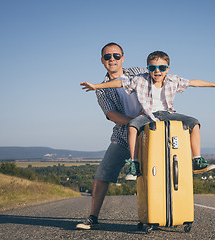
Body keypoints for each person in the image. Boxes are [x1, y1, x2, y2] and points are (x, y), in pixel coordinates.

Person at [81, 50, 215, 181]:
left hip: (168, 113)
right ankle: (134, 164)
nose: (157, 71)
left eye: (162, 68)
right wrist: (96, 86)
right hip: (148, 114)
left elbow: (193, 82)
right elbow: (118, 84)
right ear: (148, 68)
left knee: (194, 123)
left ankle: (197, 160)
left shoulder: (173, 80)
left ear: (167, 69)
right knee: (132, 126)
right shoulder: (140, 80)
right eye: (153, 68)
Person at [76, 42, 147, 230]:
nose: (112, 59)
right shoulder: (101, 88)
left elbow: (159, 80)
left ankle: (150, 216)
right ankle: (93, 217)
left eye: (116, 55)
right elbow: (111, 114)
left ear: (123, 58)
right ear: (102, 61)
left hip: (151, 132)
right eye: (108, 57)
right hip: (123, 134)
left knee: (148, 175)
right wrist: (133, 122)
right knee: (102, 173)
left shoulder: (139, 72)